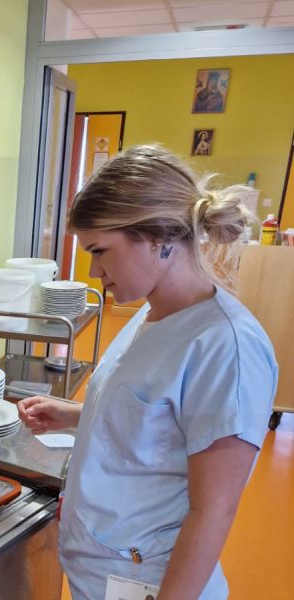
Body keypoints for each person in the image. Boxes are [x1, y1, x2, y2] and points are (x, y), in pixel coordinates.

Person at [18, 145, 277, 599]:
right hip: (100, 571)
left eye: (101, 251)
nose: (94, 270)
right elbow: (158, 421)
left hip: (151, 583)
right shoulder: (152, 313)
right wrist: (75, 415)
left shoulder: (226, 348)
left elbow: (212, 512)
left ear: (158, 237)